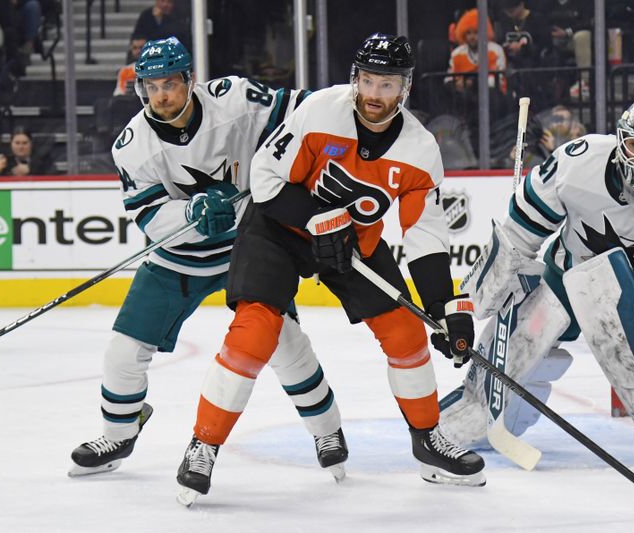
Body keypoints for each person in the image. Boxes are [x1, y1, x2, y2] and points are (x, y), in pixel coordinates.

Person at [176, 32, 484, 505]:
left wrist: (445, 308)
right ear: (354, 78)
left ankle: (427, 441)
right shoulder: (321, 111)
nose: (374, 95)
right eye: (367, 81)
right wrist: (315, 219)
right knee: (255, 330)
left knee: (407, 331)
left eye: (387, 85)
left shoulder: (420, 151)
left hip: (352, 244)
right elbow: (263, 177)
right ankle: (204, 444)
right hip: (279, 226)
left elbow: (424, 235)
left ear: (405, 88)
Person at [68, 38, 347, 487]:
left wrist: (348, 103)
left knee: (286, 344)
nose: (161, 95)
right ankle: (118, 434)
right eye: (151, 87)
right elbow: (149, 216)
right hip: (177, 260)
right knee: (123, 351)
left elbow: (301, 108)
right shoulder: (132, 146)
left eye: (170, 84)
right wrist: (192, 212)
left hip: (249, 245)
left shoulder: (233, 99)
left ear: (189, 81)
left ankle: (327, 431)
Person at [441, 97, 634, 463]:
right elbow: (524, 226)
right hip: (567, 271)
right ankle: (476, 409)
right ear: (619, 139)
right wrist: (502, 272)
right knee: (525, 338)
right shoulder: (579, 160)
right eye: (633, 143)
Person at [447, 8, 507, 94]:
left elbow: (499, 80)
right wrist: (455, 84)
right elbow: (448, 79)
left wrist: (473, 83)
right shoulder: (456, 54)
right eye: (468, 33)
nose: (472, 37)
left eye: (476, 32)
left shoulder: (496, 50)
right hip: (464, 98)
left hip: (493, 96)